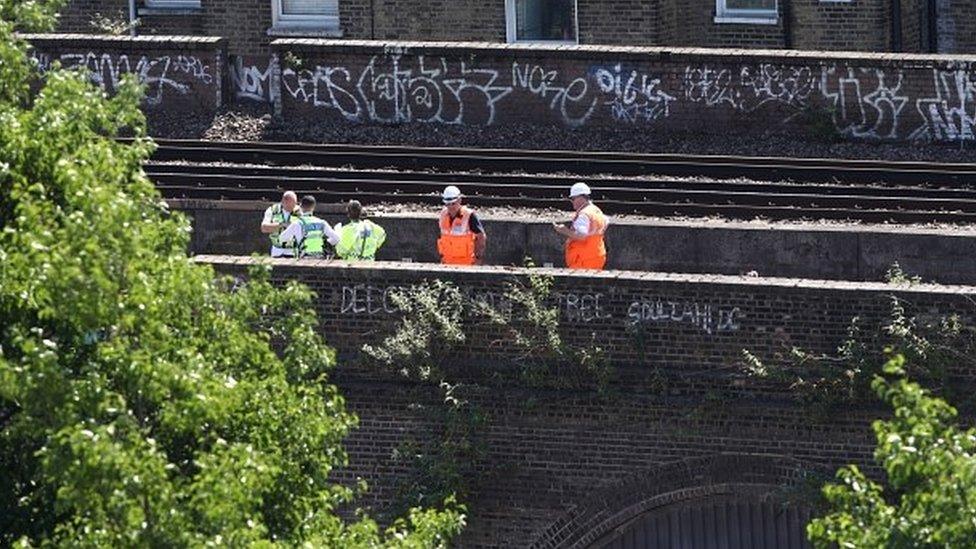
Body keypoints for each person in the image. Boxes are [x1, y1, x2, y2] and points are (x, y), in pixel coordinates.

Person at [553, 182, 609, 270]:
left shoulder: (584, 215)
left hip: (583, 259)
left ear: (581, 197)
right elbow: (605, 222)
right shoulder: (596, 210)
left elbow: (582, 237)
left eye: (573, 198)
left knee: (580, 283)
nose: (571, 202)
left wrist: (564, 230)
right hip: (597, 255)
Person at [437, 185, 486, 265]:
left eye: (453, 203)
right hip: (447, 263)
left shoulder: (469, 215)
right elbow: (442, 237)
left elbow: (481, 236)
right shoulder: (443, 214)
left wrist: (478, 257)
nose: (450, 207)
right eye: (447, 204)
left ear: (459, 200)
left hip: (466, 264)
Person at [261, 191, 298, 257]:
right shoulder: (272, 210)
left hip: (293, 250)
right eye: (290, 206)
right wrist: (282, 225)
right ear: (283, 202)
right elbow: (264, 228)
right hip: (277, 250)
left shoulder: (299, 211)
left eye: (294, 204)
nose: (293, 208)